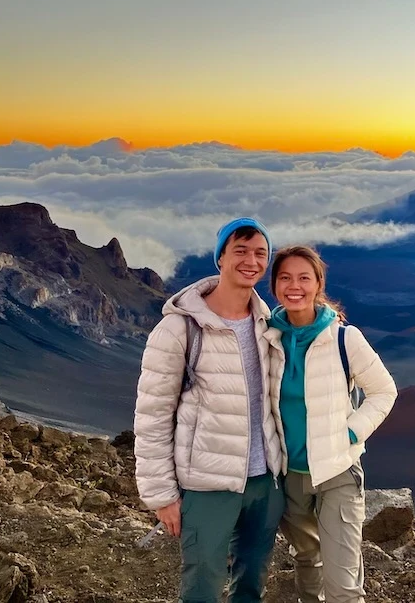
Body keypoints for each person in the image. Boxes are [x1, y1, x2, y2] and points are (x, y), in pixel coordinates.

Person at [134, 218, 286, 603]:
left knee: (251, 580)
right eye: (240, 251)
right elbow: (152, 415)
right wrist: (162, 495)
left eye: (260, 254)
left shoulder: (267, 323)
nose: (251, 261)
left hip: (264, 481)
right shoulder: (180, 330)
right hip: (207, 484)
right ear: (220, 257)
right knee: (202, 583)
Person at [267, 245, 398, 603]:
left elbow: (384, 391)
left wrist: (351, 433)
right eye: (285, 278)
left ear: (319, 283)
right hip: (289, 475)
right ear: (274, 285)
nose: (295, 286)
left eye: (304, 278)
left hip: (337, 471)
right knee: (307, 562)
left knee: (342, 586)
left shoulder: (344, 338)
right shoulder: (268, 339)